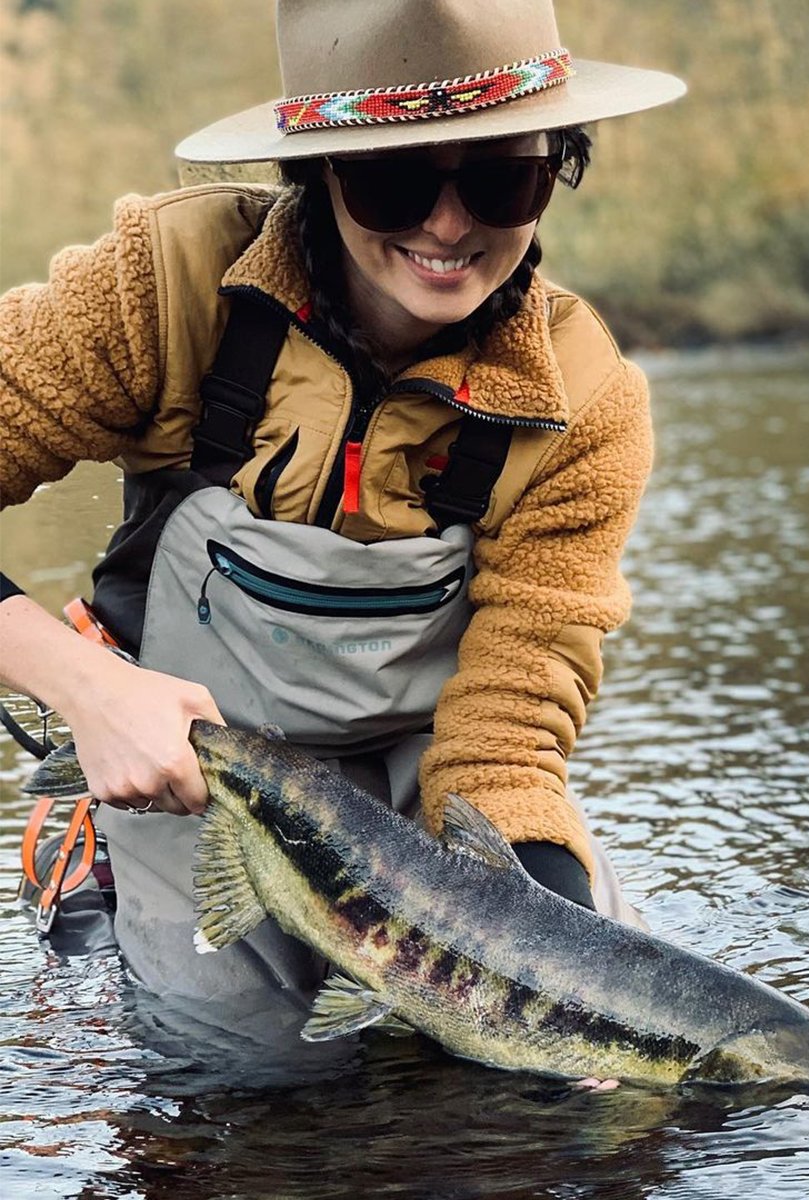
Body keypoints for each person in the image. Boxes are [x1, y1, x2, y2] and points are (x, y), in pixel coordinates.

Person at [0, 0, 685, 1002]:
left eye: (503, 178)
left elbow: (506, 743)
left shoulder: (585, 405)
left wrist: (562, 971)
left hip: (434, 802)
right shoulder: (161, 287)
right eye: (394, 182)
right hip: (175, 779)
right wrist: (84, 688)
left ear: (556, 166)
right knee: (237, 1076)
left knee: (576, 1051)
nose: (448, 227)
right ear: (320, 170)